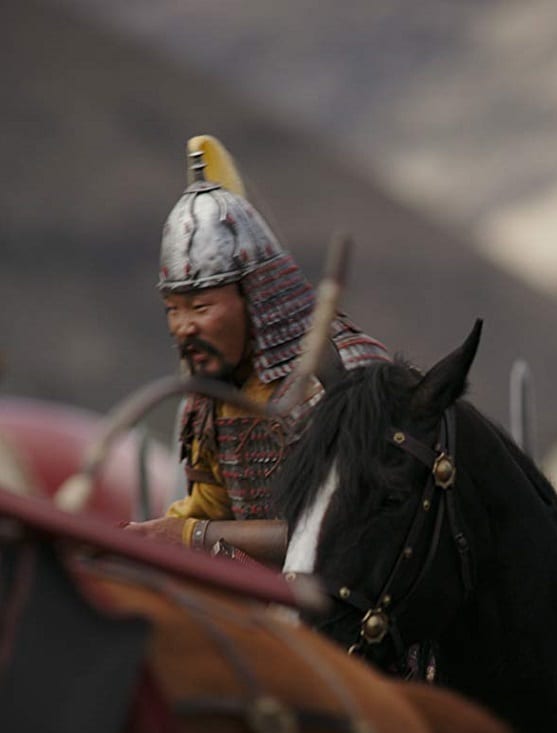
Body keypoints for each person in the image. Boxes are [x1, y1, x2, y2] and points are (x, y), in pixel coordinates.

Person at [124, 136, 389, 567]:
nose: (184, 326)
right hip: (263, 596)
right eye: (173, 309)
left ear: (254, 295)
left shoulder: (345, 372)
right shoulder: (213, 391)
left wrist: (193, 537)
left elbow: (357, 529)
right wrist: (143, 539)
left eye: (200, 306)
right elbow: (210, 507)